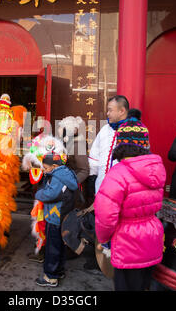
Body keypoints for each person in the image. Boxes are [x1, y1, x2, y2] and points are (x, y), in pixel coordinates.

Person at [94, 117, 166, 291]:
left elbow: (105, 216)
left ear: (120, 144)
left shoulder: (118, 173)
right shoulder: (157, 169)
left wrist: (103, 239)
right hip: (152, 236)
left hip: (127, 241)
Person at [34, 151, 78, 287]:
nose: (44, 171)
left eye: (46, 168)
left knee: (52, 248)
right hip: (63, 216)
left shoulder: (58, 177)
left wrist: (38, 193)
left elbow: (49, 194)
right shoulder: (67, 173)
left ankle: (51, 277)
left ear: (54, 166)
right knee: (60, 246)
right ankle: (59, 271)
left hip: (55, 218)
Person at [88, 95, 130, 195]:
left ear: (122, 111)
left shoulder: (134, 132)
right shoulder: (104, 129)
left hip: (123, 191)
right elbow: (95, 155)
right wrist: (92, 176)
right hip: (101, 188)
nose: (107, 114)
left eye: (110, 110)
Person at [58, 116, 89, 209]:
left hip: (73, 191)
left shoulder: (78, 145)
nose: (59, 130)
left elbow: (84, 170)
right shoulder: (67, 144)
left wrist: (70, 183)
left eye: (61, 127)